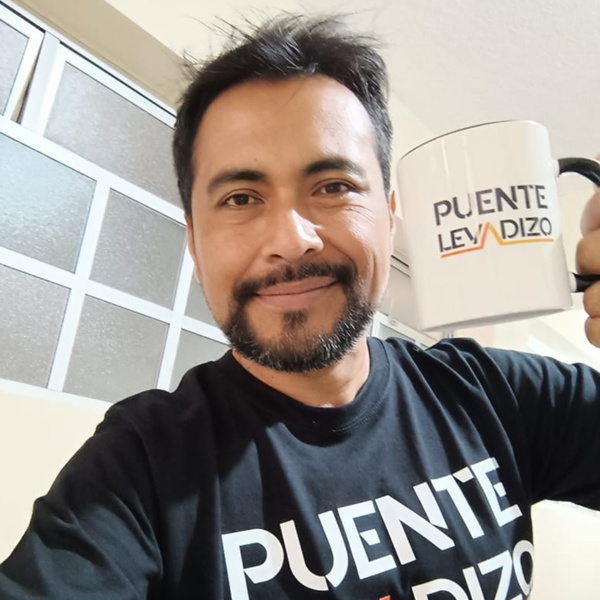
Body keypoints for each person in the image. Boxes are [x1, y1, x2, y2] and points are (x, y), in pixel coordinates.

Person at [1, 14, 600, 600]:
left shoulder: (496, 393)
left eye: (334, 187)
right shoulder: (139, 468)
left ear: (390, 218)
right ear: (195, 244)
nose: (291, 241)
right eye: (241, 198)